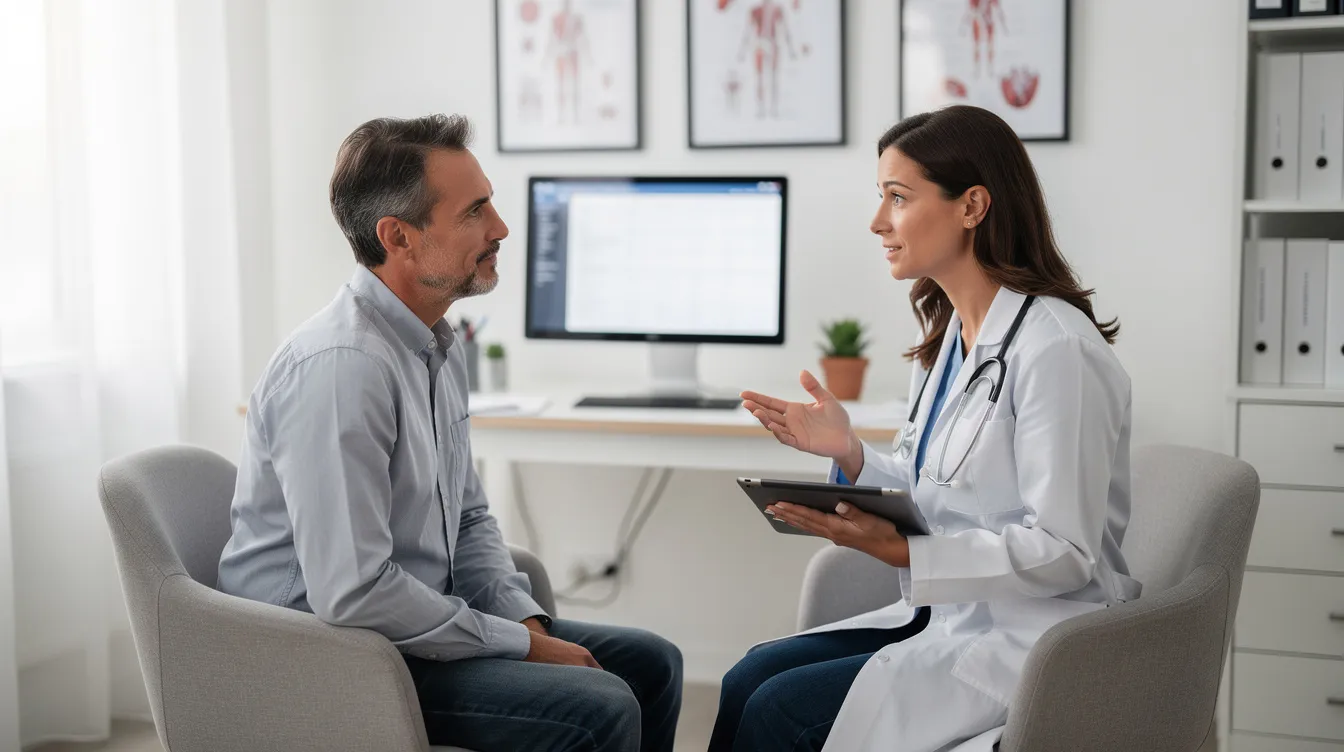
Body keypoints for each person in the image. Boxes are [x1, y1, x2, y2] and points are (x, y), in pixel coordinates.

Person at [217, 114, 682, 752]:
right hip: (329, 658)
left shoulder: (435, 343)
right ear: (398, 237)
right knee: (596, 707)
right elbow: (353, 593)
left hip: (403, 633)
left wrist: (528, 625)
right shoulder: (342, 369)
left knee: (653, 664)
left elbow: (466, 518)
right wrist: (522, 646)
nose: (501, 228)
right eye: (475, 211)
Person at [712, 105, 1140, 751]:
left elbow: (1066, 551)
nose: (878, 221)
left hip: (1033, 640)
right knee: (747, 677)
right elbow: (932, 489)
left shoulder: (1057, 350)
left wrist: (906, 553)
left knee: (778, 711)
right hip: (951, 615)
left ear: (972, 206)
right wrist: (850, 454)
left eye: (898, 197)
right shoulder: (949, 344)